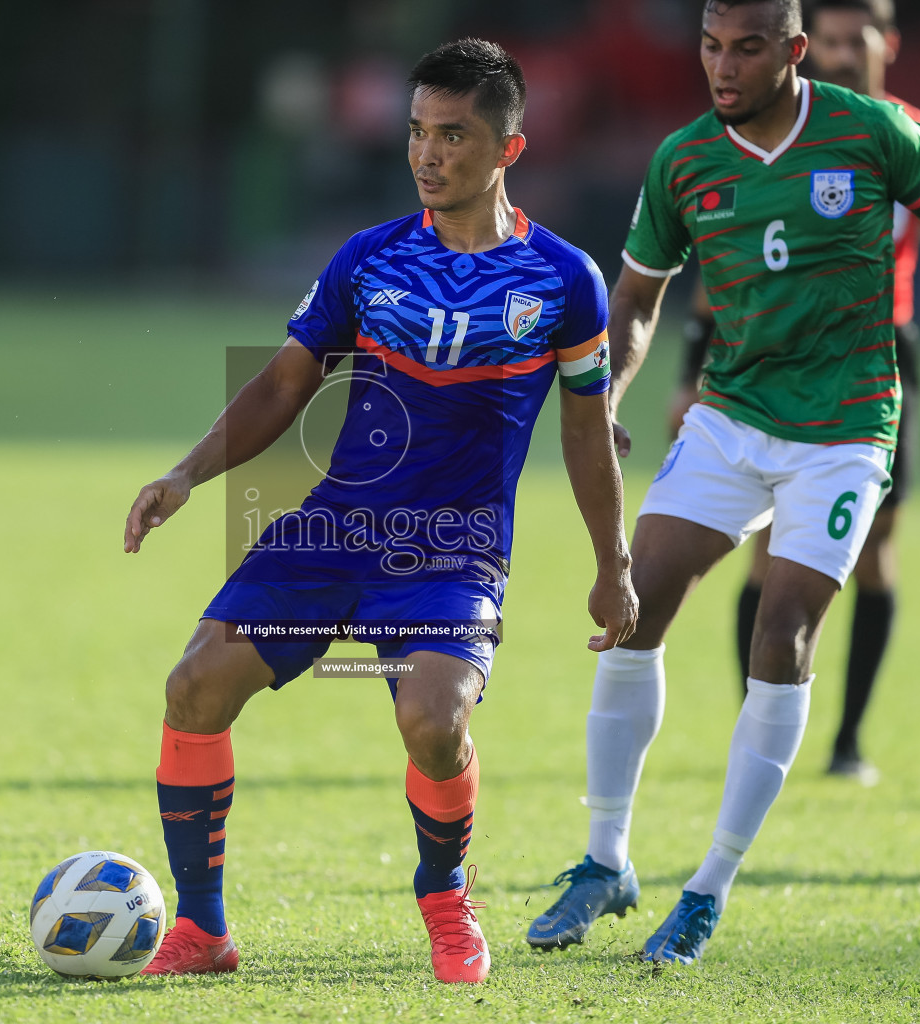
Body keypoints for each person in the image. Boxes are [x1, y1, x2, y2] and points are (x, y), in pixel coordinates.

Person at [526, 0, 920, 964]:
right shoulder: (684, 161)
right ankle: (605, 860)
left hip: (844, 429)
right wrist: (610, 390)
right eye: (711, 46)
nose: (723, 66)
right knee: (635, 609)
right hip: (731, 414)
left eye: (747, 47)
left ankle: (707, 888)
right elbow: (635, 297)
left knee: (779, 628)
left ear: (793, 51)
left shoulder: (875, 131)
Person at [123, 38, 640, 984]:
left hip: (451, 554)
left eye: (453, 135)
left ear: (508, 150)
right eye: (416, 132)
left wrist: (614, 565)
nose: (427, 154)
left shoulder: (565, 280)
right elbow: (284, 387)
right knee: (195, 686)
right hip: (334, 533)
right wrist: (187, 475)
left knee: (434, 723)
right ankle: (202, 931)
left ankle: (445, 899)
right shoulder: (368, 259)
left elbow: (584, 434)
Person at [666, 0, 920, 784]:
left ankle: (847, 742)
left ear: (889, 42)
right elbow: (726, 266)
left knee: (876, 551)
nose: (845, 56)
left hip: (883, 358)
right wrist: (688, 372)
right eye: (834, 41)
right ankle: (758, 722)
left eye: (859, 40)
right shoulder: (776, 135)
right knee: (766, 554)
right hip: (776, 356)